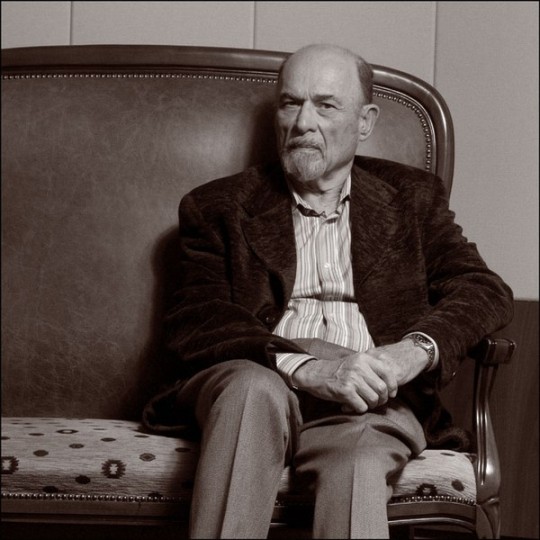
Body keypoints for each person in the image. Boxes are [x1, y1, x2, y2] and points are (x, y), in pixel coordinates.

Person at [143, 44, 513, 538]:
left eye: (326, 105)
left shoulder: (412, 198)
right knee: (253, 391)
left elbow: (483, 289)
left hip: (368, 399)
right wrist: (306, 366)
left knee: (358, 460)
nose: (303, 122)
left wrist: (411, 353)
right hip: (257, 381)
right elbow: (197, 317)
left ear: (365, 122)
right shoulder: (218, 206)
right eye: (290, 103)